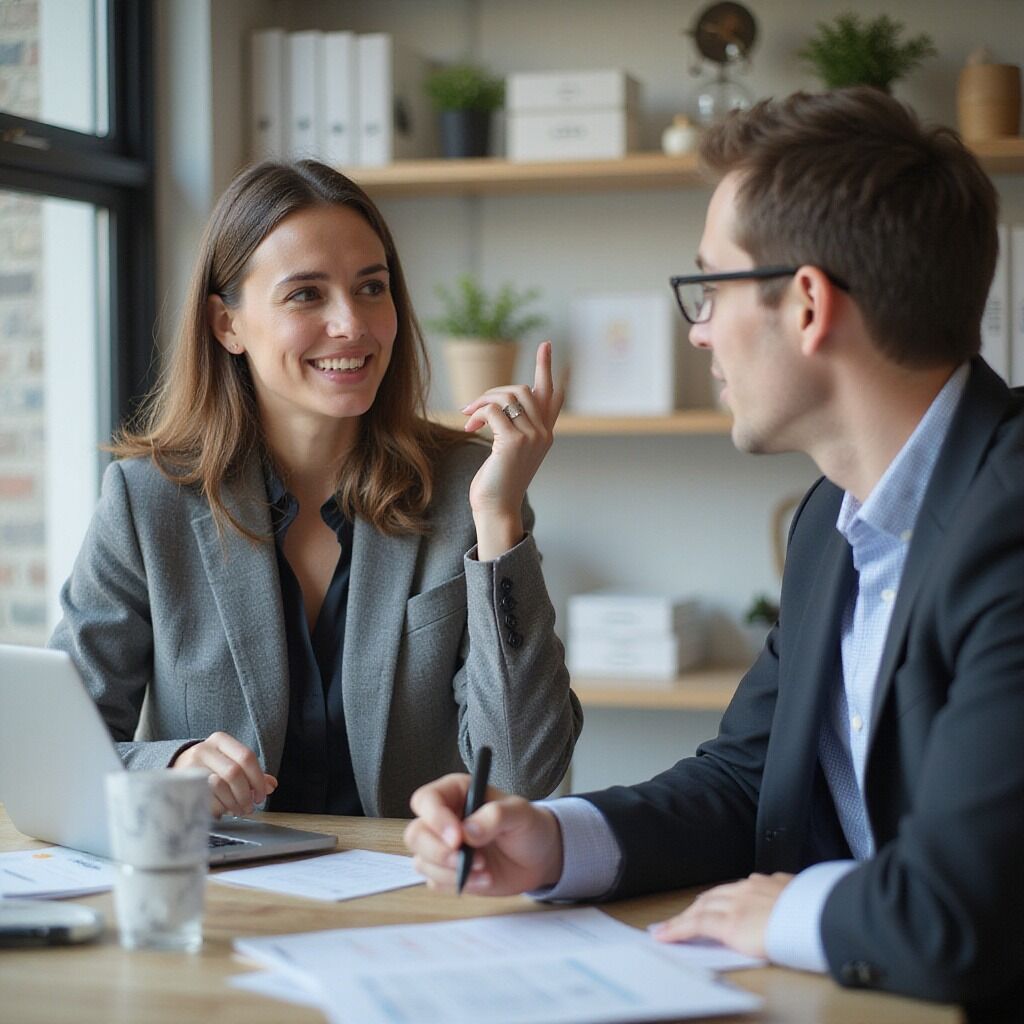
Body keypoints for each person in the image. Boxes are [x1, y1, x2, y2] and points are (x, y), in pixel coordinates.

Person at [404, 88, 1024, 1017]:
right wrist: (554, 840)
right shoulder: (830, 519)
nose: (698, 331)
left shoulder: (1010, 518)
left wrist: (789, 911)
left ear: (807, 304)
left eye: (710, 287)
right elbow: (748, 779)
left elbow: (965, 912)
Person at [49, 159, 582, 819]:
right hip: (225, 897)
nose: (351, 324)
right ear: (228, 326)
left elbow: (525, 774)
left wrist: (499, 518)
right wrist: (173, 765)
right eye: (306, 294)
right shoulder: (145, 502)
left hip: (410, 897)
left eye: (371, 287)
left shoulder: (467, 490)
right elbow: (57, 747)